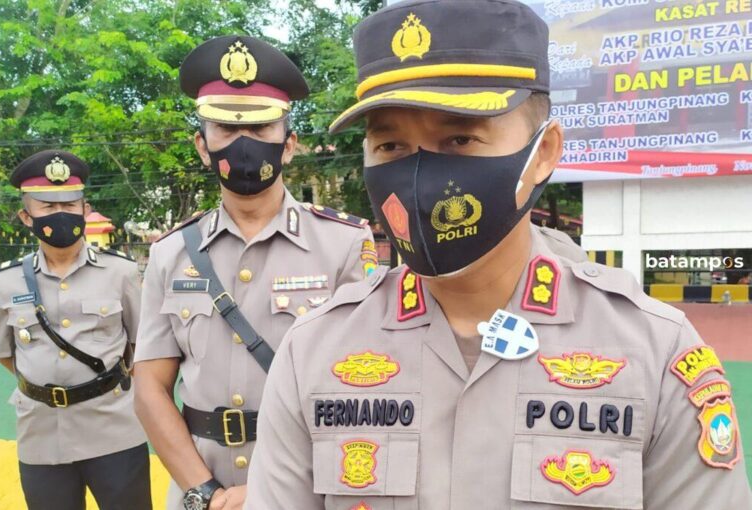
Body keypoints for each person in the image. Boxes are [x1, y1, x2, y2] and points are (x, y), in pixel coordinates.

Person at [245, 1, 752, 508]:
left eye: (459, 138)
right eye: (392, 147)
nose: (420, 173)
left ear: (545, 152)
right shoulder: (313, 352)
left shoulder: (655, 352)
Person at [132, 35, 376, 510]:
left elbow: (364, 387)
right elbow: (150, 389)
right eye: (225, 128)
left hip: (307, 487)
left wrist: (271, 489)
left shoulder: (344, 245)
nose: (245, 144)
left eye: (263, 128)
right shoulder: (169, 254)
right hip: (198, 490)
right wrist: (203, 491)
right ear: (202, 147)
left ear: (289, 145)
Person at [0, 150, 150, 510]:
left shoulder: (120, 273)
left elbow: (140, 343)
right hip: (41, 434)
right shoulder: (5, 281)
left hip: (114, 429)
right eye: (47, 207)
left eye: (70, 204)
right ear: (25, 216)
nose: (61, 214)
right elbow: (3, 351)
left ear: (85, 210)